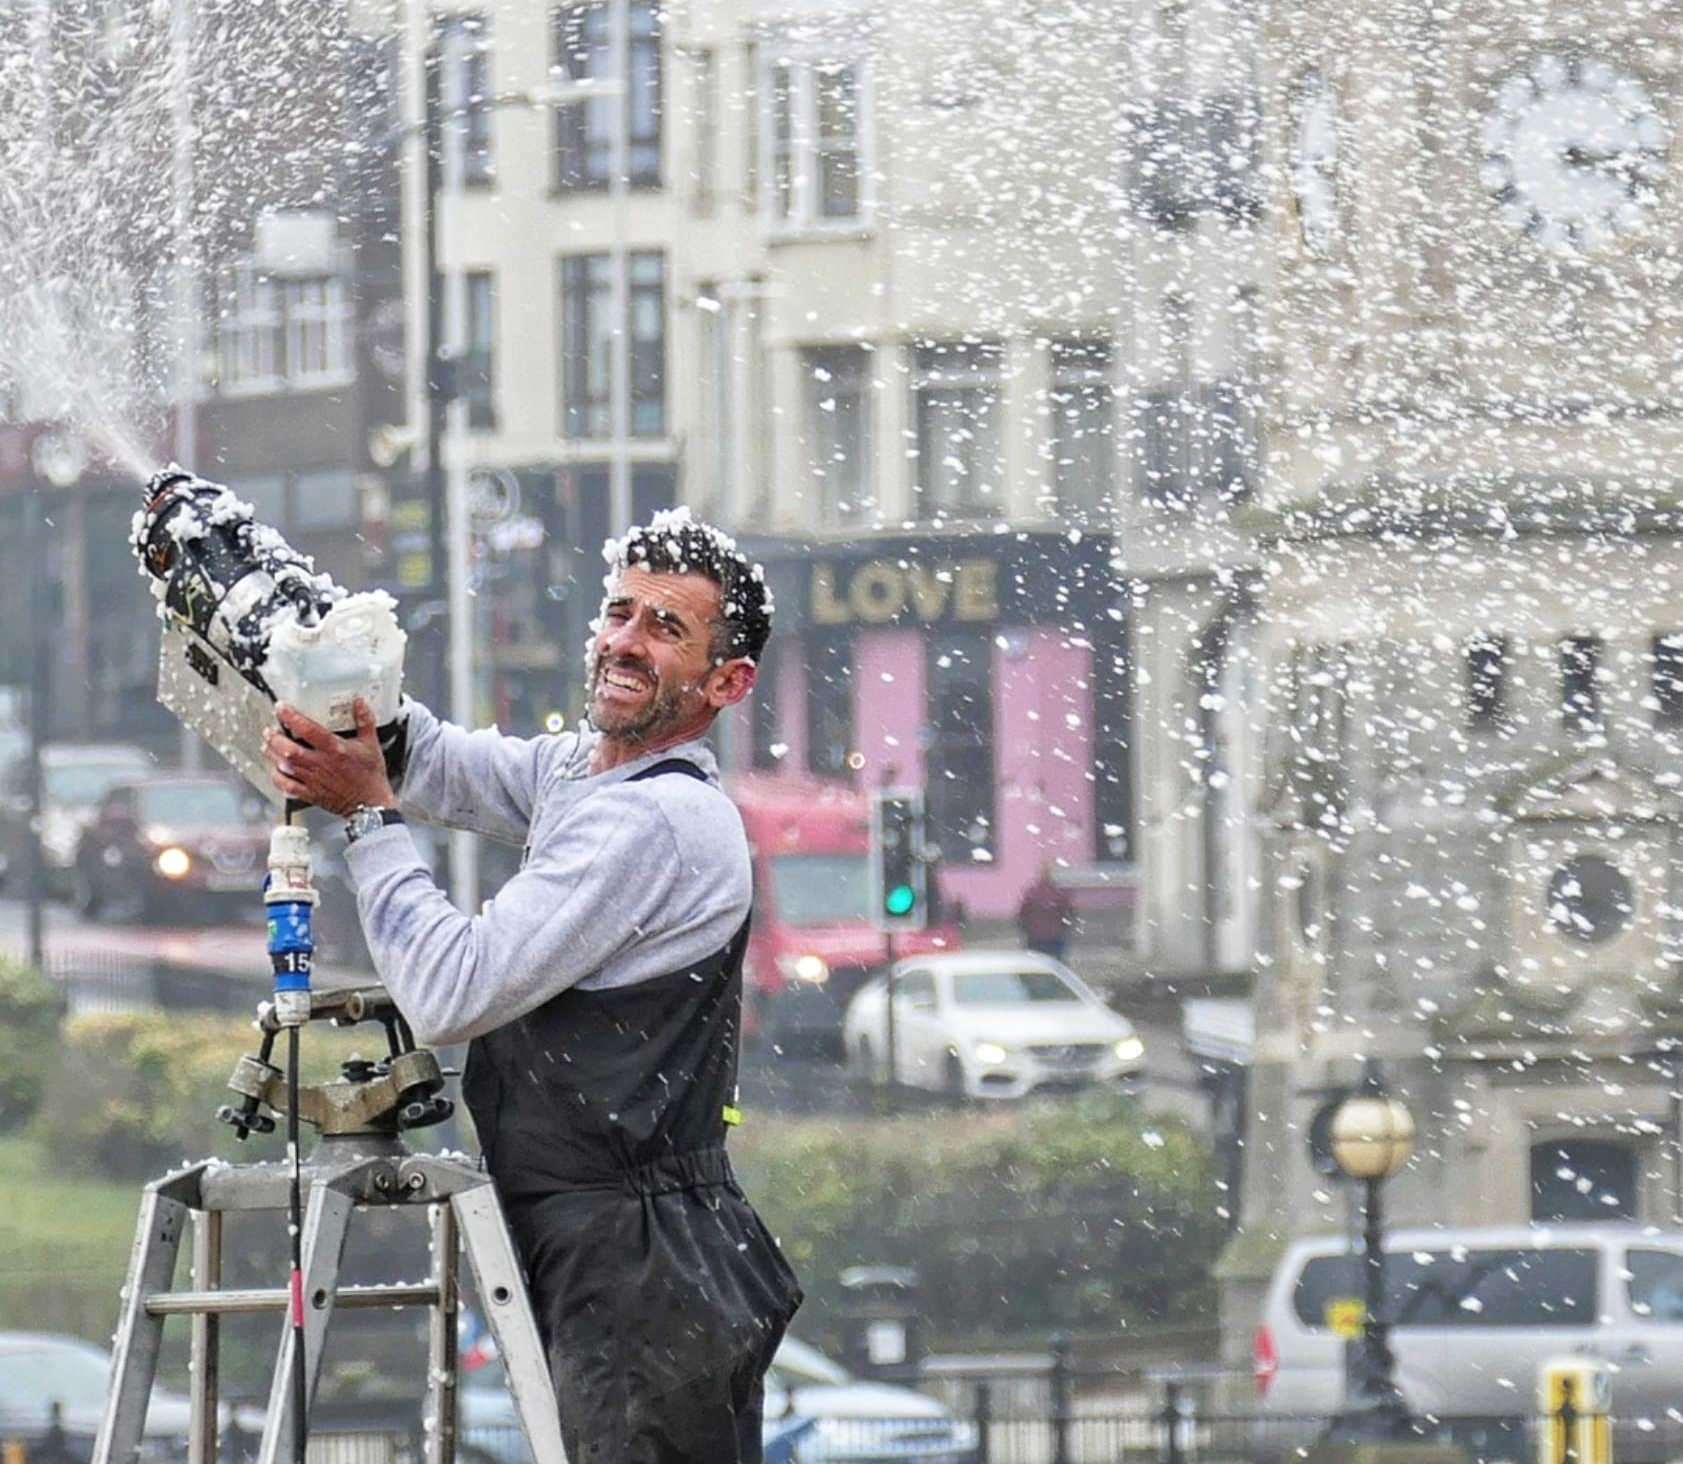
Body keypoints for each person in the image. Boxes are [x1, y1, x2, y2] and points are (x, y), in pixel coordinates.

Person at [261, 509, 802, 1463]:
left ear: (729, 681)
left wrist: (368, 822)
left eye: (664, 629)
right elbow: (430, 759)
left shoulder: (658, 820)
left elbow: (452, 992)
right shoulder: (585, 778)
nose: (625, 643)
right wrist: (316, 651)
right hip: (617, 1248)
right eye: (619, 612)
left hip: (646, 1270)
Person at [1017, 860, 1074, 962]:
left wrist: (1027, 930)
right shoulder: (1059, 892)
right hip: (1055, 937)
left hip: (1035, 937)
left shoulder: (1032, 892)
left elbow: (1022, 914)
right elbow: (1069, 914)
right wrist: (1062, 928)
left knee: (1034, 965)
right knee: (1056, 965)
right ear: (1051, 874)